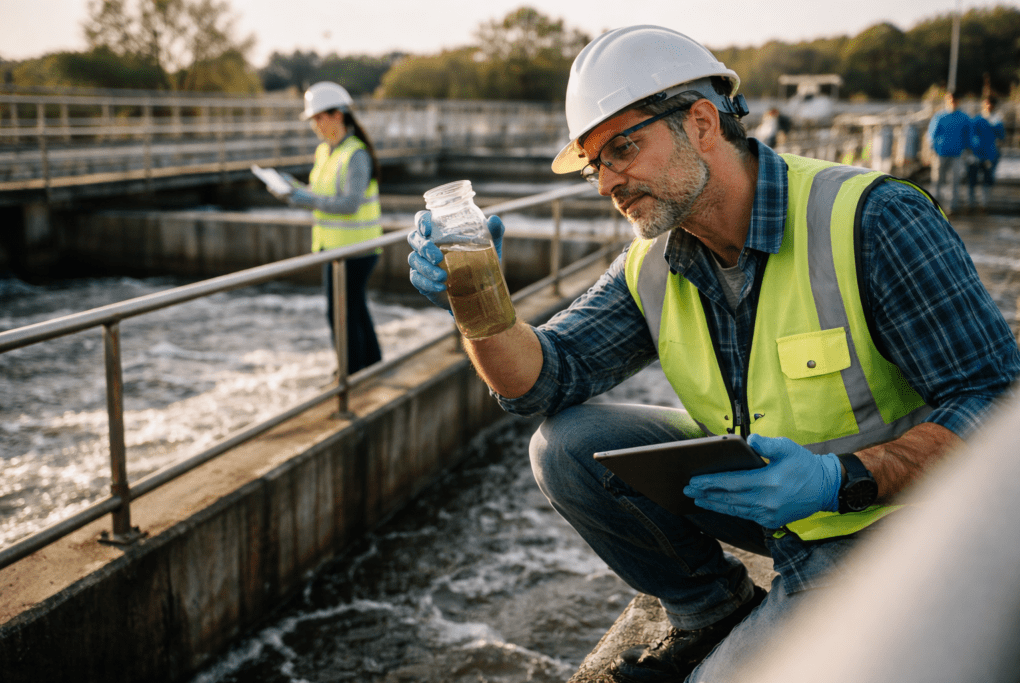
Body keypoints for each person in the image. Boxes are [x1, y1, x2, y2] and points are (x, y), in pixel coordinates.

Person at [407, 25, 1020, 683]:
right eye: (595, 163)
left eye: (623, 148)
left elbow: (995, 405)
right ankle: (711, 608)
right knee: (563, 444)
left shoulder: (871, 219)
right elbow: (538, 381)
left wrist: (840, 477)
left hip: (897, 530)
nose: (607, 181)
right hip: (771, 507)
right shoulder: (655, 260)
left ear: (701, 123)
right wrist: (478, 302)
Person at [270, 81, 383, 374]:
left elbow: (349, 204)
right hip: (334, 247)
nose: (315, 125)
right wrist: (292, 189)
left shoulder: (356, 154)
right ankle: (370, 364)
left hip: (357, 249)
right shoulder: (325, 151)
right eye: (313, 119)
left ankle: (349, 373)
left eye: (320, 117)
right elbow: (320, 191)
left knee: (341, 314)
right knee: (354, 309)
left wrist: (304, 198)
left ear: (339, 114)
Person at [926, 92, 972, 214]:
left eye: (955, 99)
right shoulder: (939, 116)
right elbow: (931, 135)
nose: (953, 101)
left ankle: (952, 207)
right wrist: (931, 151)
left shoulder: (964, 117)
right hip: (940, 153)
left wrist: (968, 150)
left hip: (957, 154)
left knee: (954, 181)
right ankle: (934, 207)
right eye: (950, 99)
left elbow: (969, 136)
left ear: (958, 100)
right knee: (937, 180)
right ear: (946, 100)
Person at [967, 95, 1006, 212]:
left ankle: (984, 205)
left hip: (990, 155)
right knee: (972, 180)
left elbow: (1002, 137)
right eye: (986, 103)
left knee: (987, 180)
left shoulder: (997, 121)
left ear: (994, 106)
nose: (988, 106)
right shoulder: (976, 120)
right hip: (975, 155)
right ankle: (971, 204)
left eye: (991, 104)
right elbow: (970, 137)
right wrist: (970, 152)